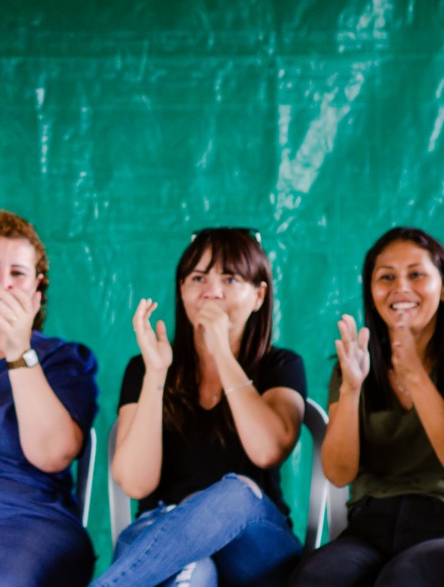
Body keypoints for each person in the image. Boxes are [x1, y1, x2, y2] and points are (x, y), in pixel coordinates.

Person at [95, 227, 306, 587]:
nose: (212, 289)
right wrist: (157, 373)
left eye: (230, 277)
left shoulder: (280, 366)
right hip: (163, 527)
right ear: (182, 290)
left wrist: (221, 351)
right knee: (193, 573)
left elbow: (268, 451)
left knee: (236, 490)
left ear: (259, 295)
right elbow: (134, 480)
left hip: (254, 542)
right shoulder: (146, 366)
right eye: (198, 277)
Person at [290, 227, 444, 587]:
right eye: (386, 277)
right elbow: (339, 473)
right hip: (370, 528)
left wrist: (415, 376)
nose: (401, 287)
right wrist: (353, 389)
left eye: (416, 274)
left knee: (404, 579)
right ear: (372, 294)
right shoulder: (353, 367)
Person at [0, 209, 98, 585]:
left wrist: (18, 348)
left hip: (29, 522)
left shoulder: (64, 360)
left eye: (18, 274)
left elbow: (53, 453)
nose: (1, 284)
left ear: (37, 289)